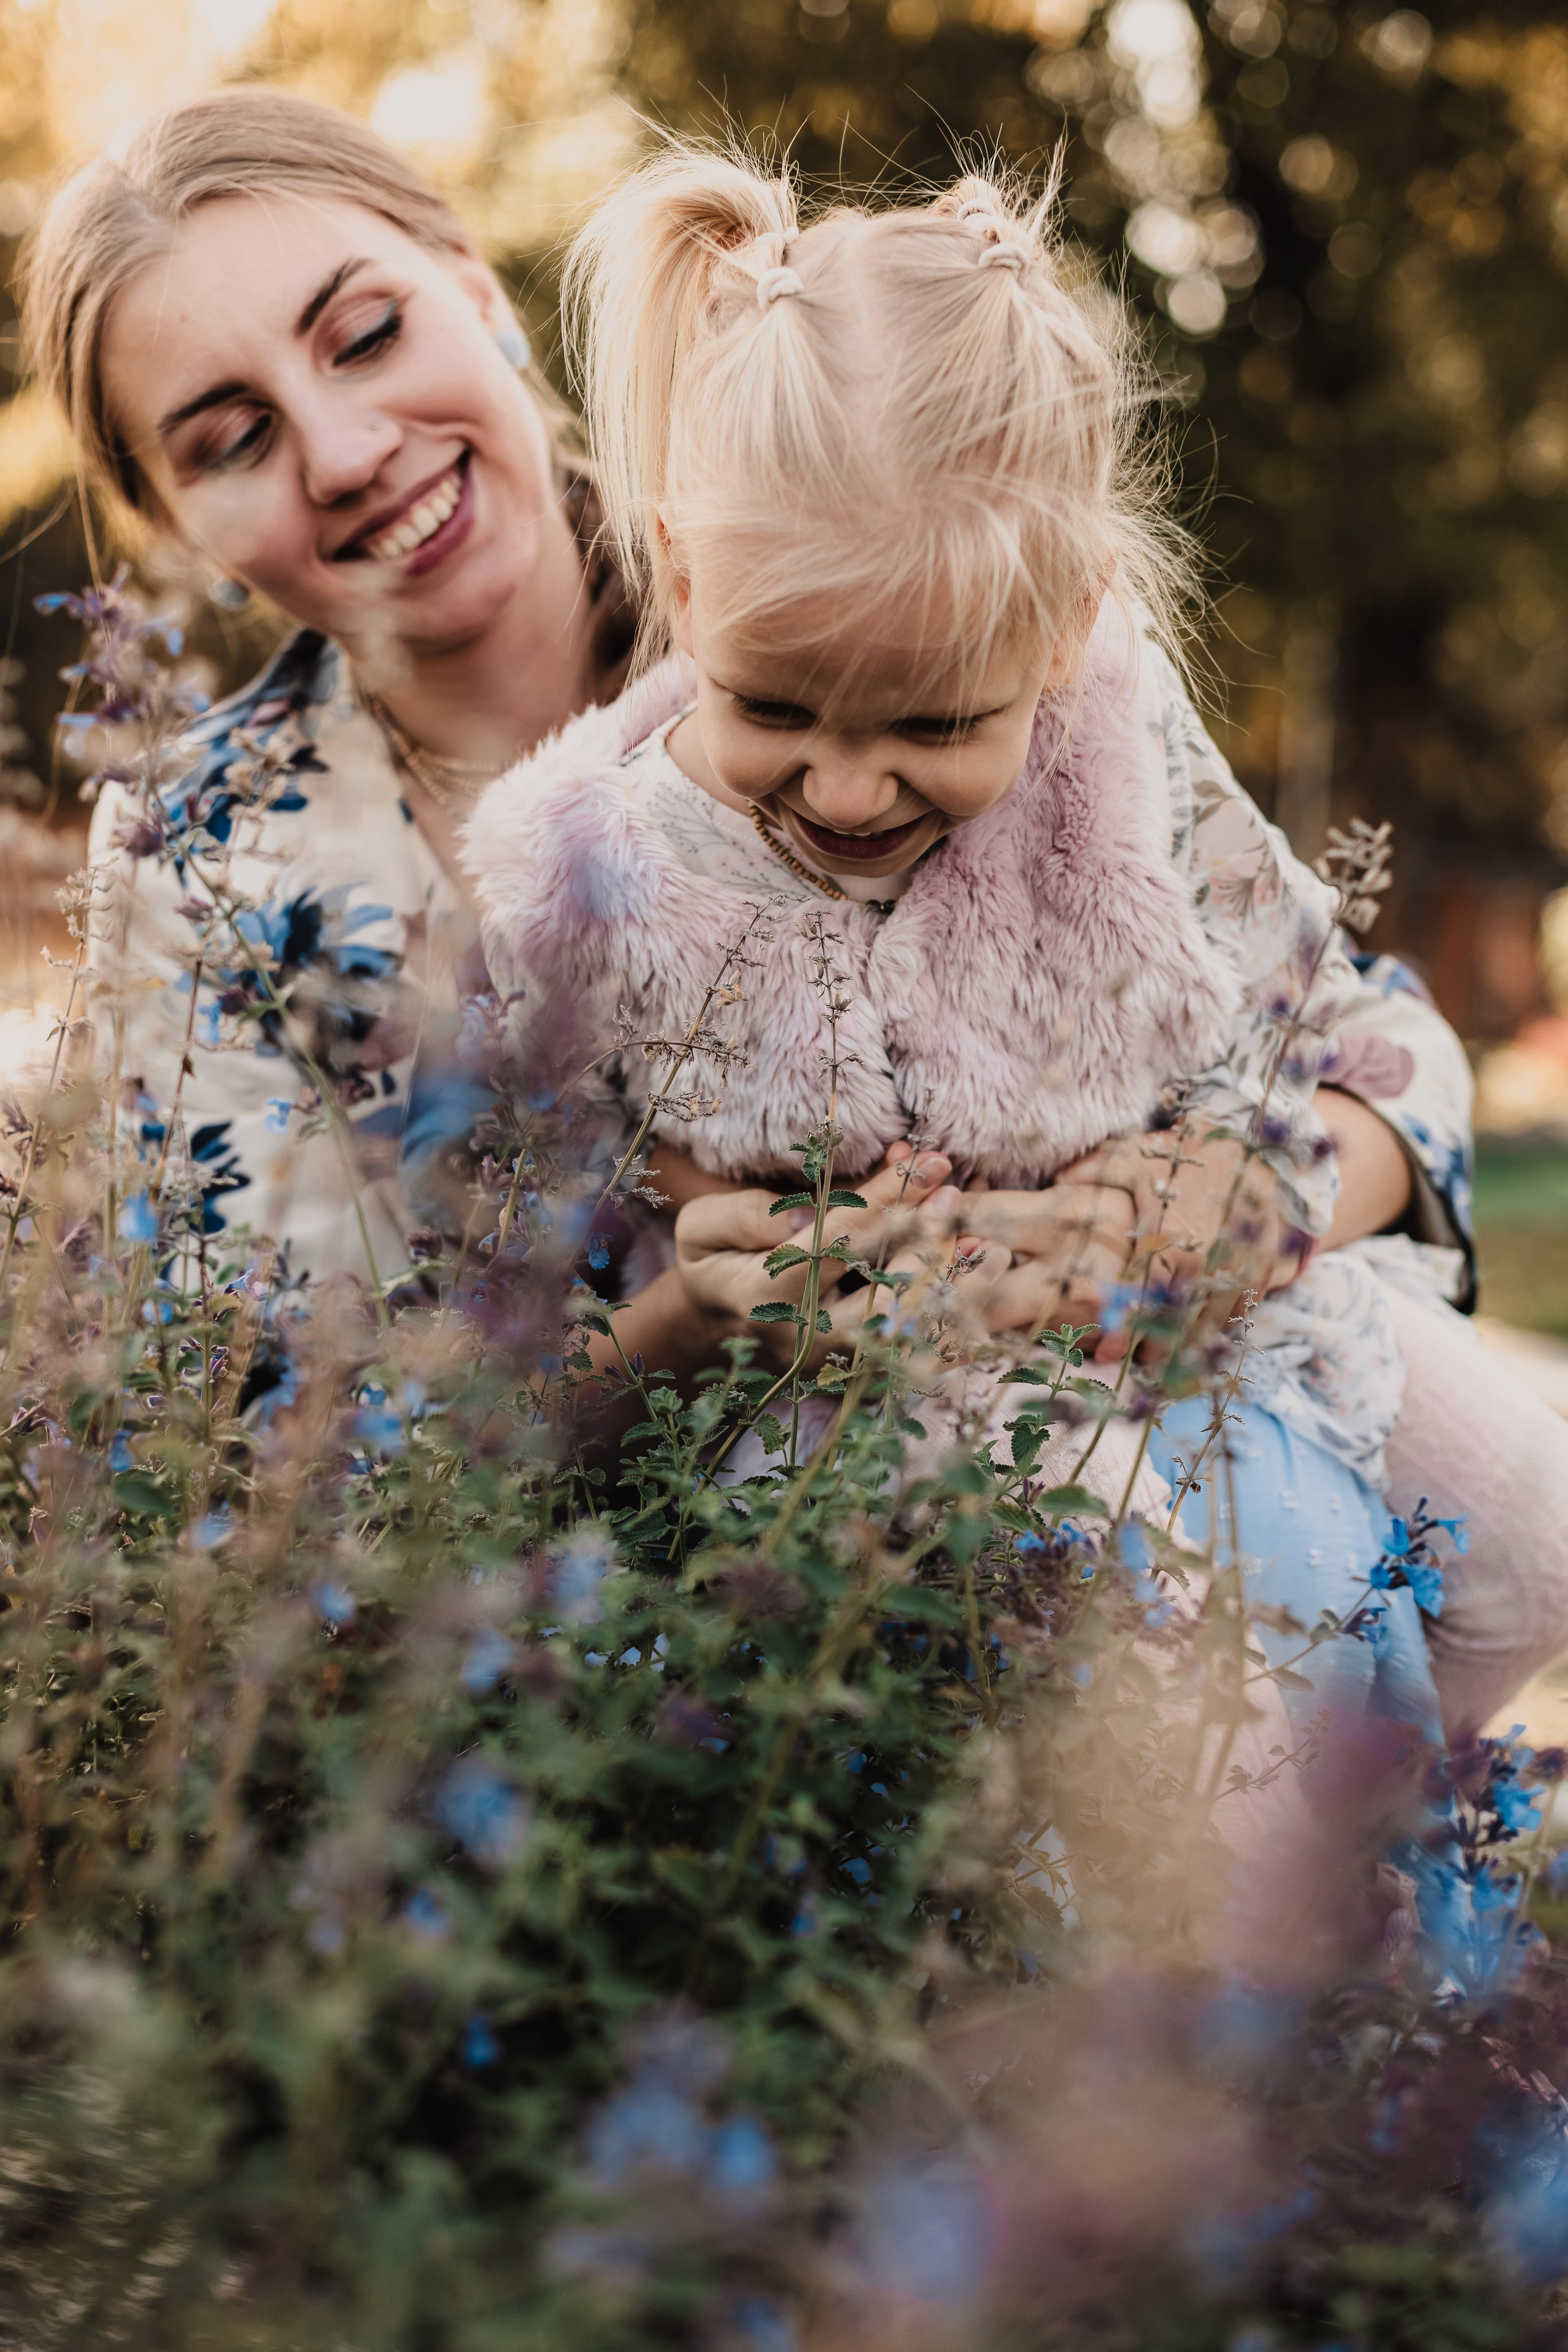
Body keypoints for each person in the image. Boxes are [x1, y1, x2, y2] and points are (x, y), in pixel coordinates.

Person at [16, 91, 1562, 1744]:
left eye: (367, 332)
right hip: (674, 1667)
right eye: (227, 439)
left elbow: (1355, 1024)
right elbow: (292, 1446)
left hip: (1150, 1373)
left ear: (474, 288)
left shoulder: (899, 513)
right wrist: (673, 1325)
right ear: (177, 528)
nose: (339, 448)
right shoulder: (209, 867)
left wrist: (1248, 1187)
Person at [466, 140, 1566, 1770]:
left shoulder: (1114, 756)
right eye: (776, 708)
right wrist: (706, 1280)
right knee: (1187, 1668)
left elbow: (1332, 1033)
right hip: (874, 1417)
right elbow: (515, 1320)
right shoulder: (589, 872)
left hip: (1201, 1315)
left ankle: (1387, 1857)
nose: (846, 791)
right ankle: (1248, 1931)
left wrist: (1240, 1188)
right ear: (685, 581)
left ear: (1065, 632)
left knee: (1538, 1542)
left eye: (937, 725)